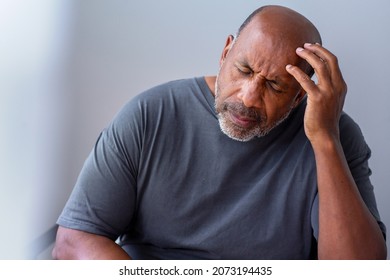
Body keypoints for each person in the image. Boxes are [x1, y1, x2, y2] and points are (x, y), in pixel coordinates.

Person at [52, 5, 387, 259]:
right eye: (243, 70)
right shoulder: (150, 114)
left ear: (300, 94)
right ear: (225, 52)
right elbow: (74, 240)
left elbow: (357, 271)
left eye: (274, 85)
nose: (248, 97)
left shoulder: (334, 135)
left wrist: (325, 139)